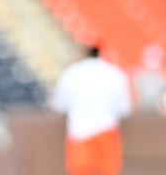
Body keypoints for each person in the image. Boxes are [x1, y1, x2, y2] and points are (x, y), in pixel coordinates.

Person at [51, 45, 132, 175]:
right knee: (107, 170)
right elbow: (124, 108)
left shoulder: (72, 73)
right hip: (107, 129)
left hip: (79, 130)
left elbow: (59, 104)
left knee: (81, 170)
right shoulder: (114, 73)